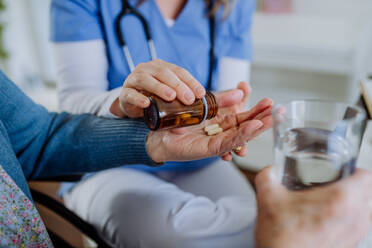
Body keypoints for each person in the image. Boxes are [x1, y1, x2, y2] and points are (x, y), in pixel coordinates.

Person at [1, 69, 372, 247]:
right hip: (101, 172)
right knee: (189, 231)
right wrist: (119, 102)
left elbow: (37, 139)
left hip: (182, 149)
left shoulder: (227, 6)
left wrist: (156, 142)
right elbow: (73, 103)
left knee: (245, 228)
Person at [50, 0, 257, 246]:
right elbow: (73, 106)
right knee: (176, 236)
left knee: (258, 225)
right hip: (108, 162)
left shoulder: (234, 4)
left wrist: (230, 112)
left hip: (196, 159)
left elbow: (228, 96)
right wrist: (122, 102)